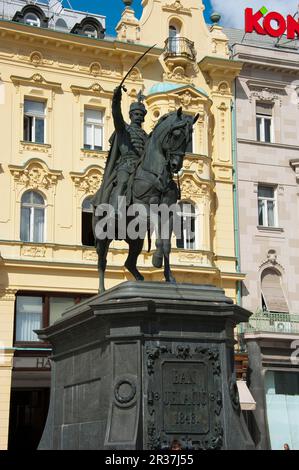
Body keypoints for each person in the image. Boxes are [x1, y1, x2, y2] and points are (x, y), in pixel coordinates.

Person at [91, 87, 148, 214]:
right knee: (122, 182)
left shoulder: (146, 136)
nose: (138, 117)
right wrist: (116, 98)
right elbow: (116, 113)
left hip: (141, 167)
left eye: (141, 115)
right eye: (136, 114)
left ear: (144, 118)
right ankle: (115, 210)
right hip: (126, 165)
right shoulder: (124, 129)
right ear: (131, 115)